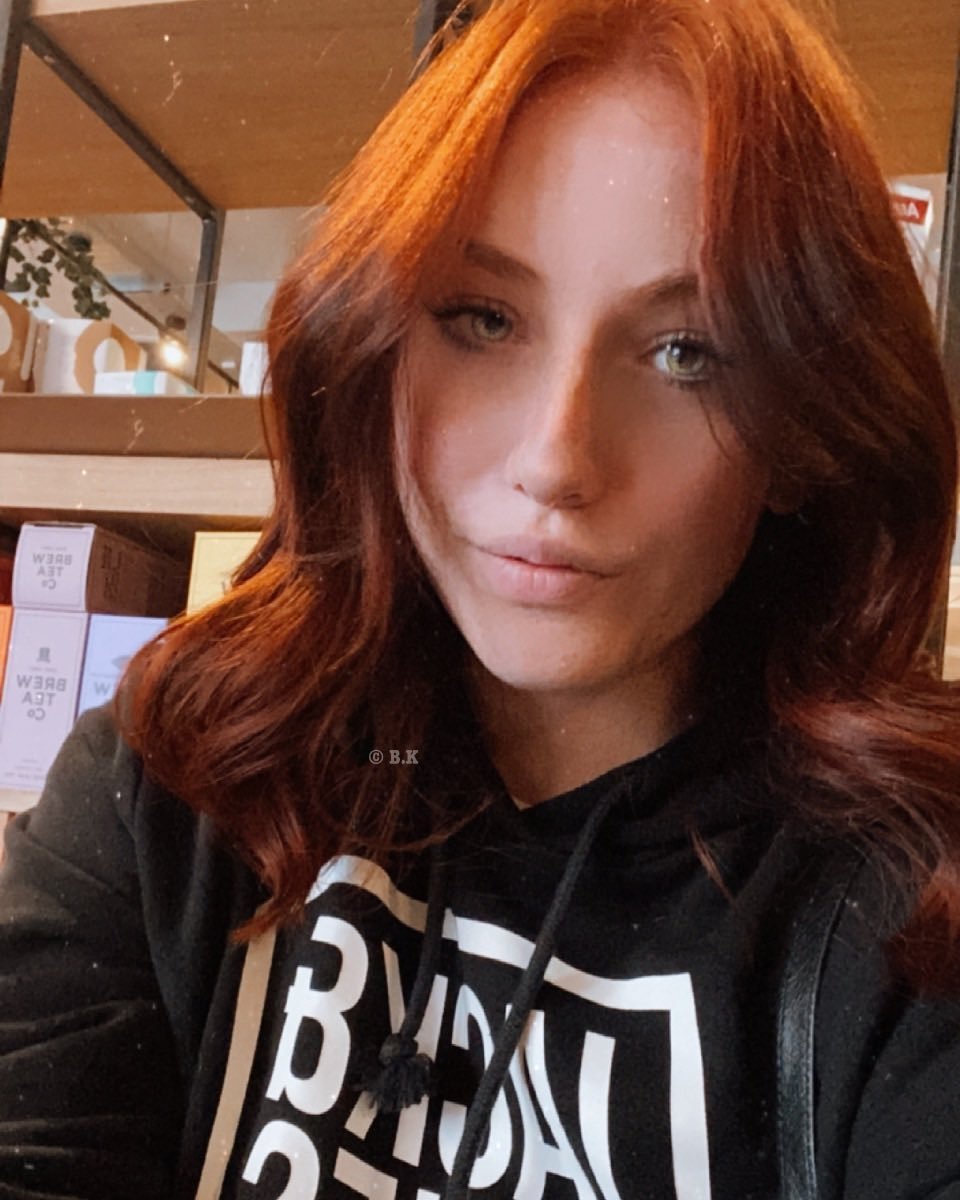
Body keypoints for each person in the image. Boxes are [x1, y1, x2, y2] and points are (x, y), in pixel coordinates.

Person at [1, 0, 959, 1196]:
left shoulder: (907, 909)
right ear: (371, 349)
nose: (556, 461)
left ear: (805, 436)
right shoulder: (178, 780)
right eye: (482, 319)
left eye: (687, 352)